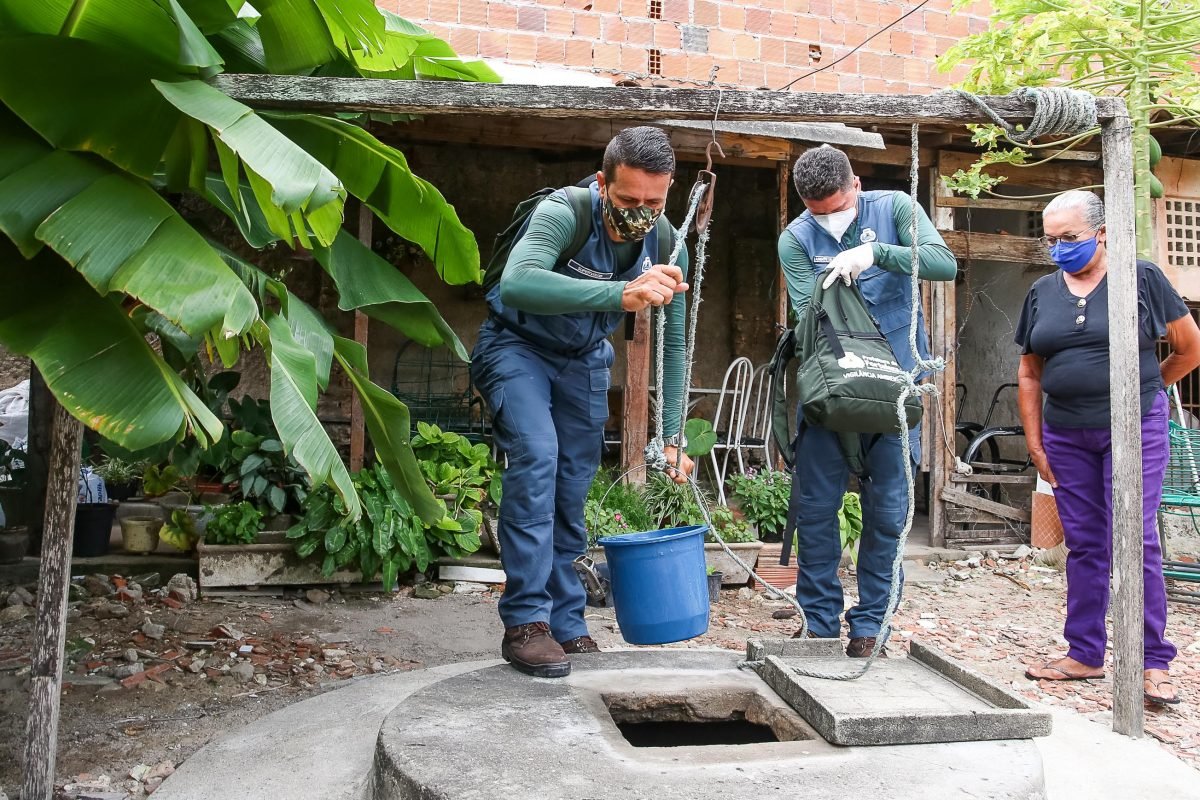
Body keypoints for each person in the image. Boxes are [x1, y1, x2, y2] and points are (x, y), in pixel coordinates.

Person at [471, 126, 695, 679]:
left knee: (574, 482)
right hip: (517, 346)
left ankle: (567, 622)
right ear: (602, 183)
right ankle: (526, 623)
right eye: (627, 201)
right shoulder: (563, 212)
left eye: (654, 202)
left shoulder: (666, 240)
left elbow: (673, 338)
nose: (640, 214)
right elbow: (520, 282)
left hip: (584, 359)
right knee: (537, 458)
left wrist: (671, 436)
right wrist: (620, 293)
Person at [1016, 190, 1200, 705]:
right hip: (1065, 434)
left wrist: (1143, 393)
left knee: (1136, 539)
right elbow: (1030, 372)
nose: (1058, 249)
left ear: (1101, 232)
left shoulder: (1140, 277)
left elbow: (1190, 349)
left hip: (1134, 428)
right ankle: (1085, 653)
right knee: (1085, 544)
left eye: (1068, 238)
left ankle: (1152, 661)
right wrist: (1035, 443)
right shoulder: (1041, 293)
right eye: (1050, 241)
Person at [778, 145, 957, 656]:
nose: (830, 218)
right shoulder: (795, 239)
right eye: (819, 212)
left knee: (888, 512)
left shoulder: (896, 209)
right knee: (814, 510)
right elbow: (804, 315)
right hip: (832, 393)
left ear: (855, 185)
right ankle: (817, 622)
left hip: (895, 394)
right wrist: (827, 294)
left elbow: (942, 264)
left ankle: (871, 624)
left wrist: (877, 254)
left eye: (837, 206)